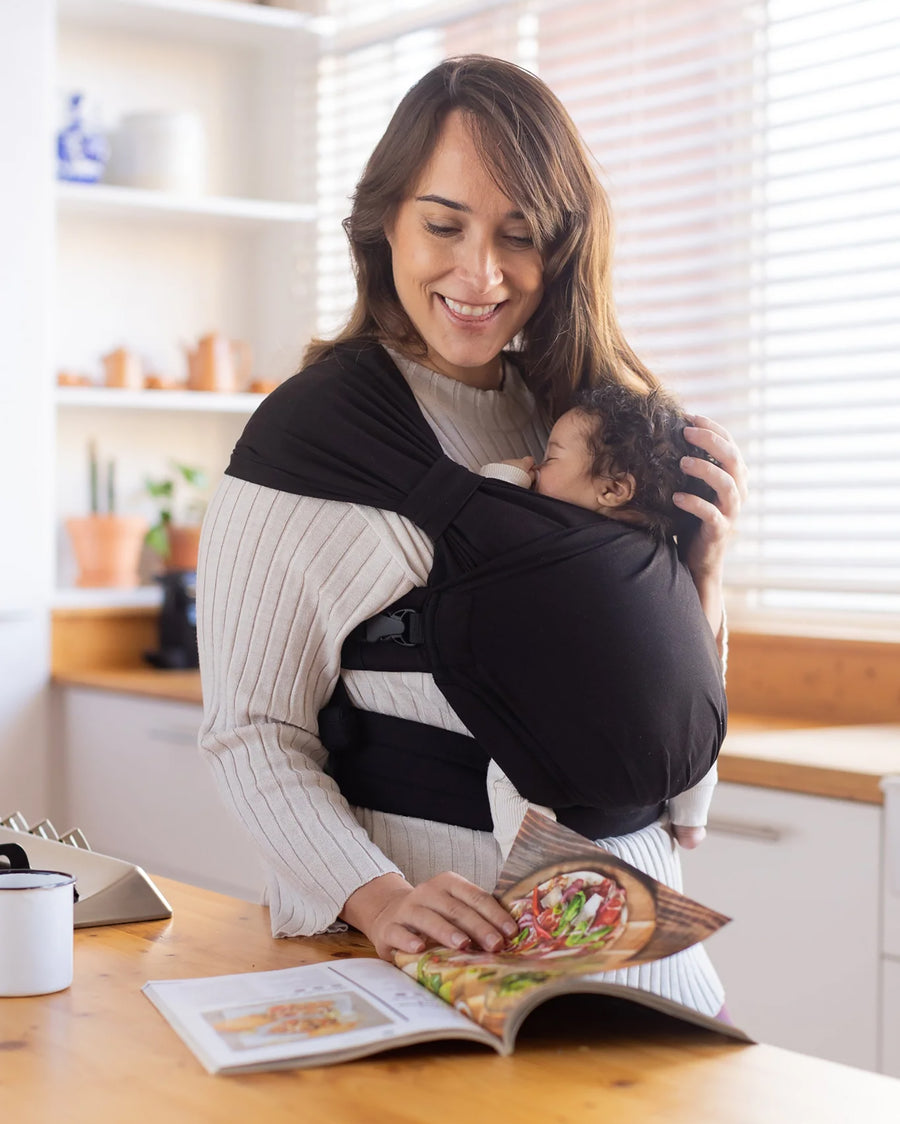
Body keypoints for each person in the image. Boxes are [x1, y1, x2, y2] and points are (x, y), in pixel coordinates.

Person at [196, 55, 746, 1017]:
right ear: (385, 225)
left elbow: (643, 706)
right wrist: (380, 898)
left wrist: (700, 583)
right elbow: (251, 734)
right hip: (415, 959)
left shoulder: (585, 426)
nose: (481, 273)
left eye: (520, 235)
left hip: (626, 946)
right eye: (444, 225)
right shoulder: (311, 440)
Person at [479, 382, 723, 860]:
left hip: (582, 715)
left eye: (549, 458)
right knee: (698, 742)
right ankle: (692, 821)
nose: (535, 465)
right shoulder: (662, 559)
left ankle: (533, 857)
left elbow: (487, 528)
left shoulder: (553, 539)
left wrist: (499, 478)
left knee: (507, 771)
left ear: (611, 489)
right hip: (677, 729)